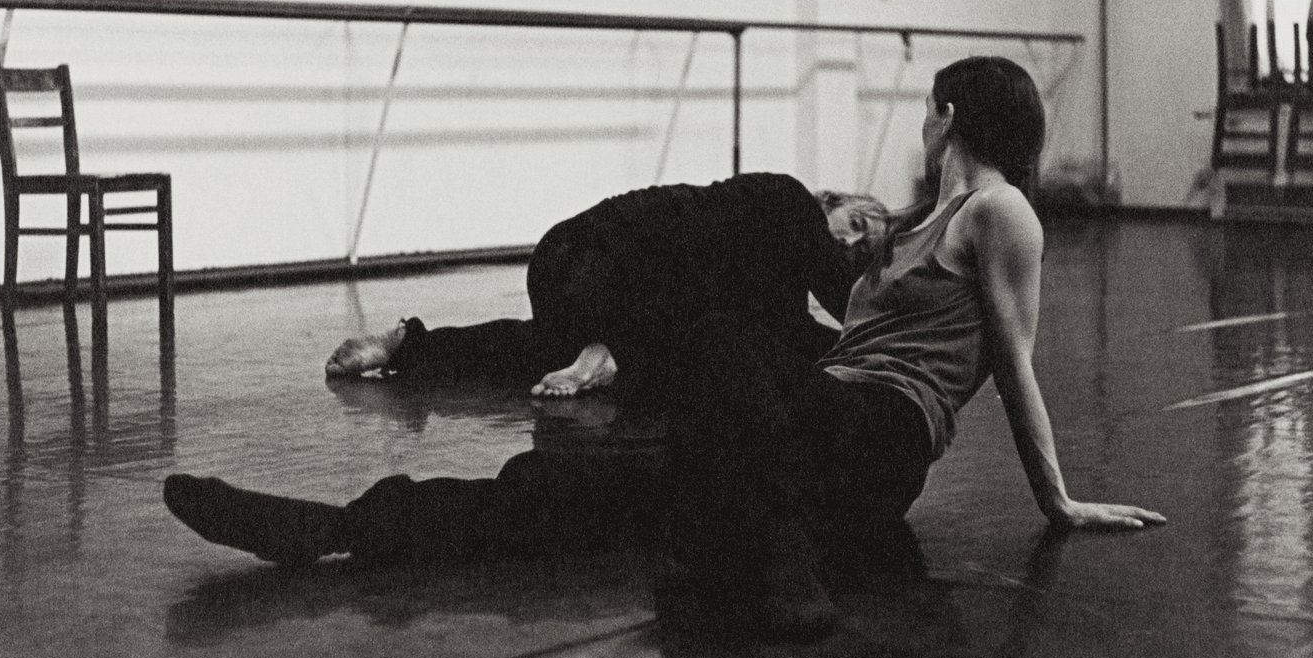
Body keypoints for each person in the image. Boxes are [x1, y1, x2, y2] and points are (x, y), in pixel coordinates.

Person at [163, 56, 1165, 642]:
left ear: (948, 114)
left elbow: (1014, 363)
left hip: (878, 436)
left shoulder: (1000, 211)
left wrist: (1059, 501)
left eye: (928, 109)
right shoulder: (912, 220)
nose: (922, 122)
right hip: (802, 431)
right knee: (559, 494)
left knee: (726, 335)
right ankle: (335, 526)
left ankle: (773, 564)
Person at [324, 175, 891, 397]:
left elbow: (795, 332)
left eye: (861, 250)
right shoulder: (788, 201)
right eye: (856, 224)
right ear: (832, 201)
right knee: (719, 337)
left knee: (537, 347)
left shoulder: (766, 276)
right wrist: (899, 348)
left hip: (560, 268)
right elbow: (837, 310)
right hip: (604, 263)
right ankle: (610, 357)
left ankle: (409, 344)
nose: (848, 243)